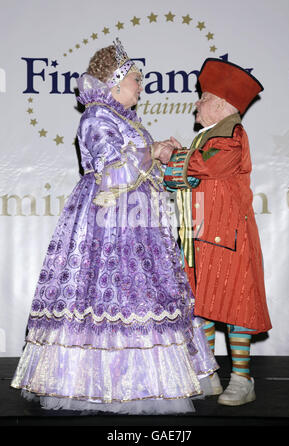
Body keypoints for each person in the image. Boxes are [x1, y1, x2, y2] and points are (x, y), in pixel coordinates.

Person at [11, 40, 218, 415]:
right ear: (116, 83)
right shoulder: (95, 117)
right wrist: (150, 152)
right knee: (107, 296)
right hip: (106, 224)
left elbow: (137, 169)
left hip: (137, 222)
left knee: (144, 297)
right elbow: (109, 171)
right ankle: (94, 382)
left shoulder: (125, 119)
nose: (141, 86)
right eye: (137, 79)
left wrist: (161, 153)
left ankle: (149, 381)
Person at [162, 58, 272, 406]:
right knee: (201, 307)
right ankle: (207, 373)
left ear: (223, 105)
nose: (196, 102)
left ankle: (242, 378)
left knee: (236, 308)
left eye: (204, 96)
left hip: (229, 240)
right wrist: (176, 161)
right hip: (200, 239)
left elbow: (204, 166)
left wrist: (172, 155)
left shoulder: (231, 135)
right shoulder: (207, 136)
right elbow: (175, 180)